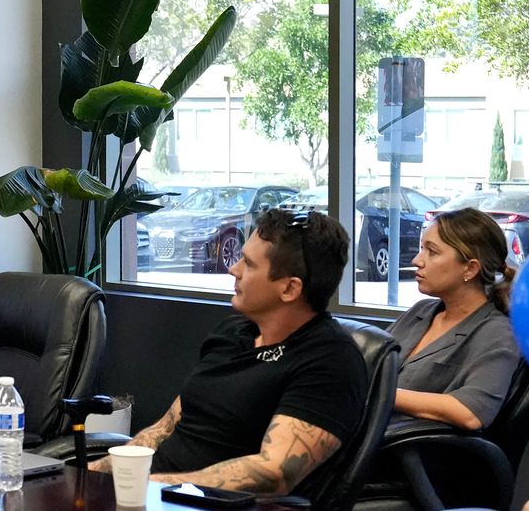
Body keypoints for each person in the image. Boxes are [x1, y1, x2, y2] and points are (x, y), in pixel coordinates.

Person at [94, 209, 368, 495]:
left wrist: (152, 487)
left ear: (289, 288)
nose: (233, 269)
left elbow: (274, 472)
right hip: (150, 495)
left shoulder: (330, 360)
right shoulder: (233, 333)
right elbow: (164, 429)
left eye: (248, 264)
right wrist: (93, 477)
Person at [387, 209, 522, 430]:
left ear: (470, 268)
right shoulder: (420, 311)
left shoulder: (497, 333)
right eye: (422, 248)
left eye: (432, 252)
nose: (417, 260)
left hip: (408, 447)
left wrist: (382, 394)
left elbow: (471, 411)